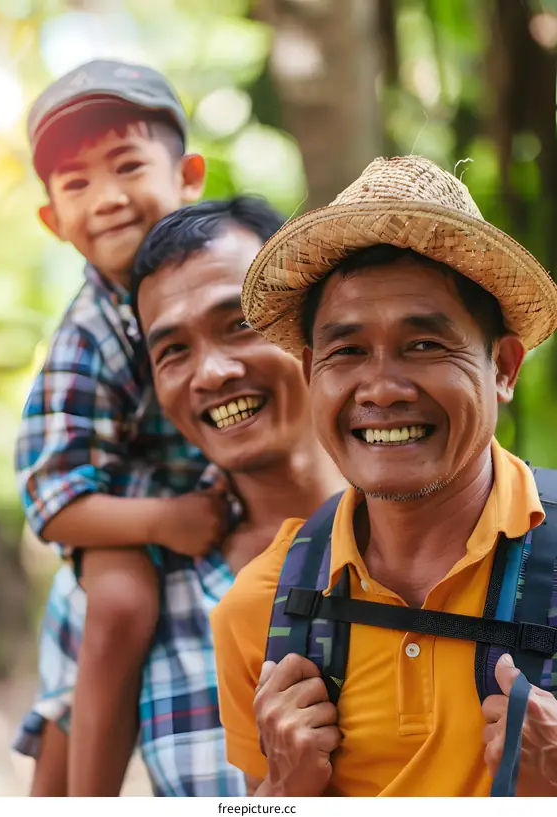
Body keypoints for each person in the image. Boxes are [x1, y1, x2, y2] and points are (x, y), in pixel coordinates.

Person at [211, 155, 557, 797]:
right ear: (312, 371)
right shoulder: (259, 609)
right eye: (347, 351)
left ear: (503, 367)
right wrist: (280, 792)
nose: (383, 388)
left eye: (425, 345)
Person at [15, 196, 346, 795]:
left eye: (239, 324)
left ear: (311, 327)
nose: (212, 373)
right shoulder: (114, 587)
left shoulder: (446, 535)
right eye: (173, 351)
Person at [14, 59, 228, 797]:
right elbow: (52, 499)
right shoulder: (88, 334)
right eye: (75, 183)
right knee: (118, 603)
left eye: (128, 165)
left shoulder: (225, 271)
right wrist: (166, 520)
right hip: (122, 515)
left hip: (209, 501)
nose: (105, 198)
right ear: (52, 220)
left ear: (188, 175)